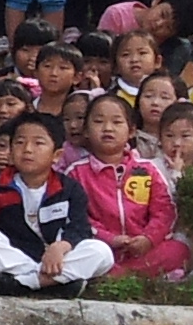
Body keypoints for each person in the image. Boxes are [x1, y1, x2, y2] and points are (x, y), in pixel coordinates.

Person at [0, 115, 115, 294]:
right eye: (20, 142)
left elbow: (80, 228)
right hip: (17, 256)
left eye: (38, 143)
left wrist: (61, 246)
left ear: (57, 155)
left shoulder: (69, 188)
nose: (27, 149)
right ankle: (50, 282)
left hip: (58, 257)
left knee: (101, 252)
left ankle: (21, 284)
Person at [71, 92, 186, 282]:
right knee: (85, 253)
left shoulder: (147, 169)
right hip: (102, 249)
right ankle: (136, 277)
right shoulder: (76, 173)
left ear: (131, 131)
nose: (108, 128)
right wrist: (110, 239)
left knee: (178, 250)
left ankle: (118, 276)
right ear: (86, 131)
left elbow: (164, 211)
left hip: (142, 249)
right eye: (98, 122)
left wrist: (148, 239)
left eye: (117, 122)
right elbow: (78, 217)